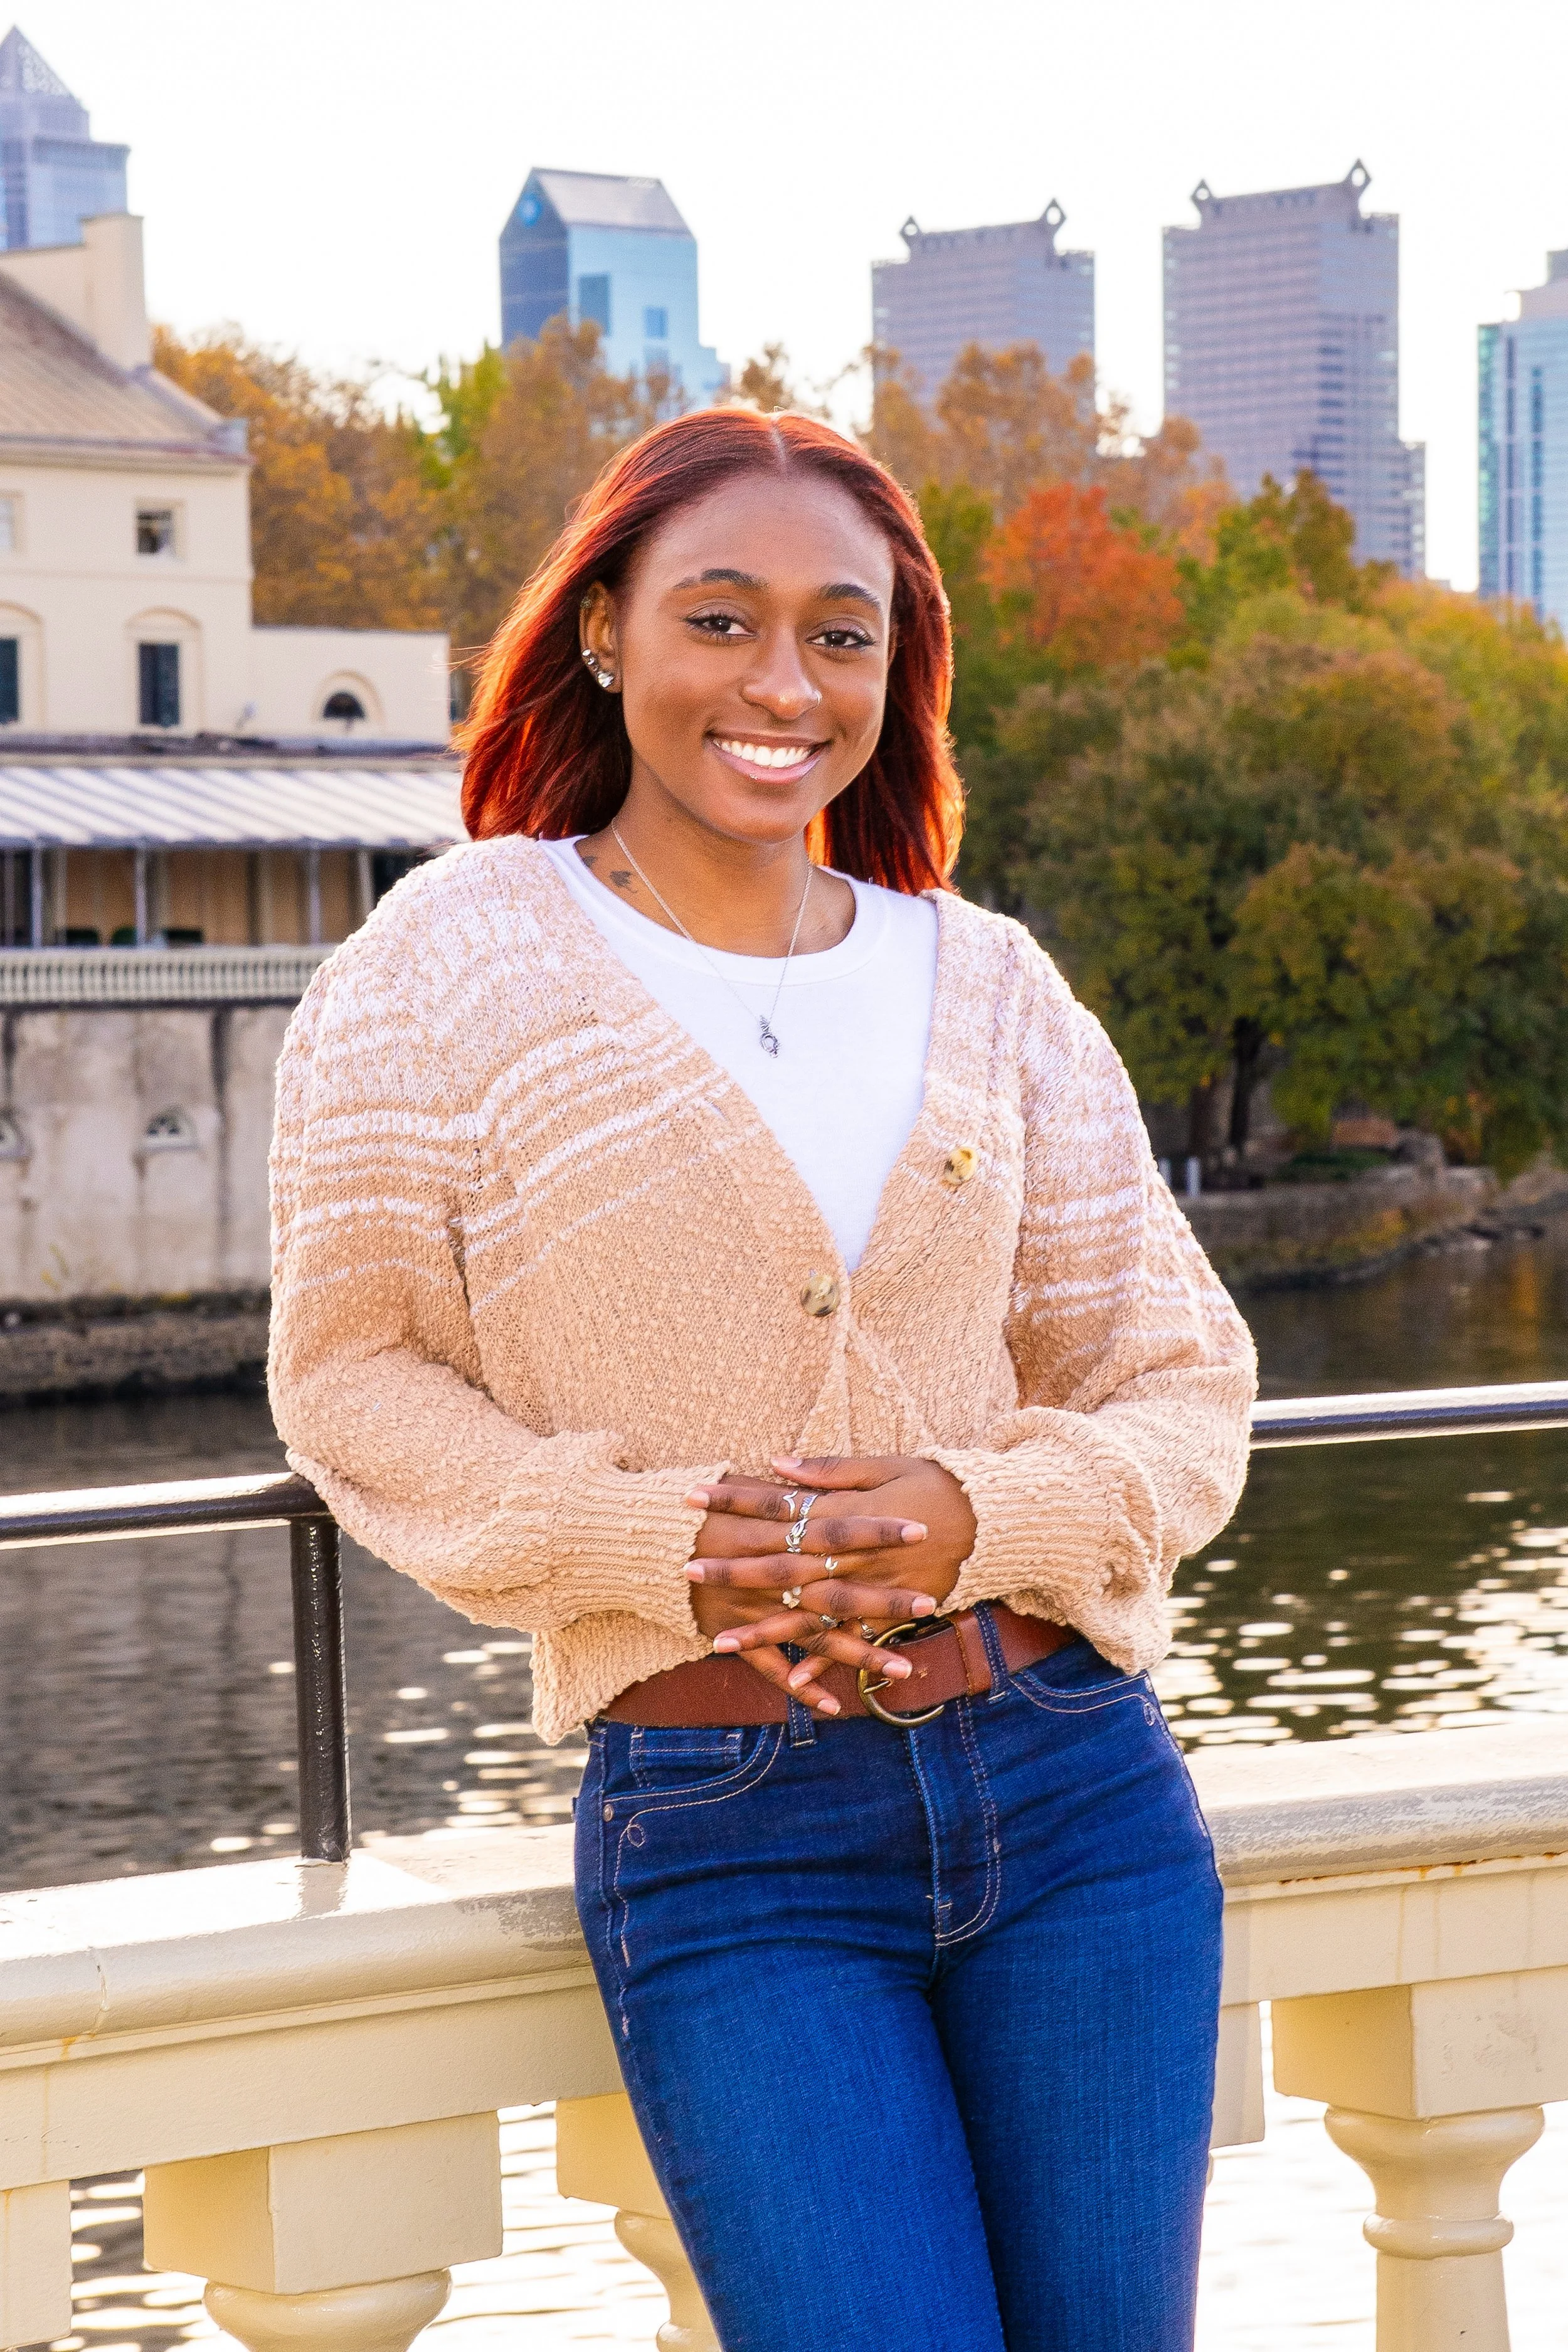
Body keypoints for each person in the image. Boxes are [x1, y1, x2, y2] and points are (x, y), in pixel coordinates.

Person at [268, 406, 1257, 2352]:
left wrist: (983, 1510)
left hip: (1075, 1797)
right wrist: (658, 1547)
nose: (782, 683)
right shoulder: (442, 963)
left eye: (842, 633)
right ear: (606, 634)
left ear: (898, 673)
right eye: (720, 618)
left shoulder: (988, 981)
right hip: (732, 1831)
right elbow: (357, 1375)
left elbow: (1177, 1375)